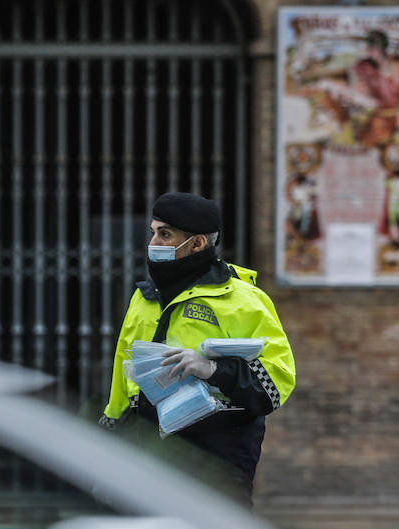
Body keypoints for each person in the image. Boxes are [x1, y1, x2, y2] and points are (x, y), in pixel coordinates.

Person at [99, 192, 295, 505]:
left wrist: (215, 369)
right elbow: (122, 381)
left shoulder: (242, 300)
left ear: (198, 243)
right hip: (152, 452)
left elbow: (277, 382)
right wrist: (109, 438)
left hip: (218, 456)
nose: (154, 242)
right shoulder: (145, 297)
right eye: (153, 232)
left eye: (165, 234)